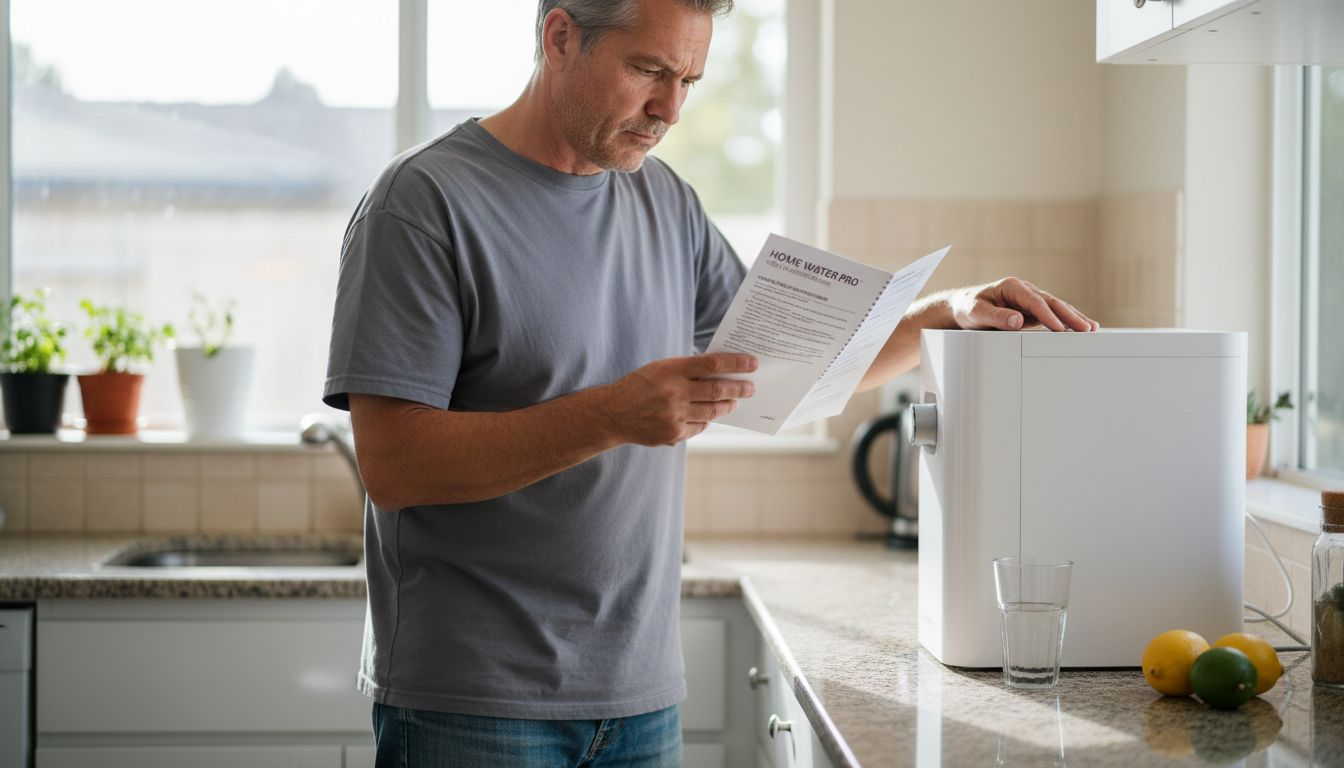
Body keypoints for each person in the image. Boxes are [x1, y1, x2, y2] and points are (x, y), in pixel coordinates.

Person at [322, 0, 1099, 765]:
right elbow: (394, 465)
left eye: (689, 80)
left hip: (640, 700)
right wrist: (611, 416)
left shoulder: (663, 201)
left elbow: (793, 367)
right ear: (560, 37)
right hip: (473, 704)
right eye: (649, 70)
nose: (670, 109)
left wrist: (948, 313)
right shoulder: (421, 204)